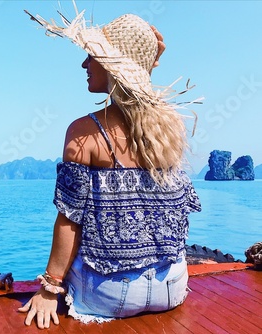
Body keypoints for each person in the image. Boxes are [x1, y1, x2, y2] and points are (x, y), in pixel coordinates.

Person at [20, 6, 202, 329]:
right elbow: (138, 100)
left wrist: (50, 289)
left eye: (92, 55)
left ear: (112, 65)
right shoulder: (168, 128)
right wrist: (145, 62)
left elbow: (69, 220)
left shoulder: (84, 133)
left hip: (112, 296)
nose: (84, 64)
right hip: (172, 287)